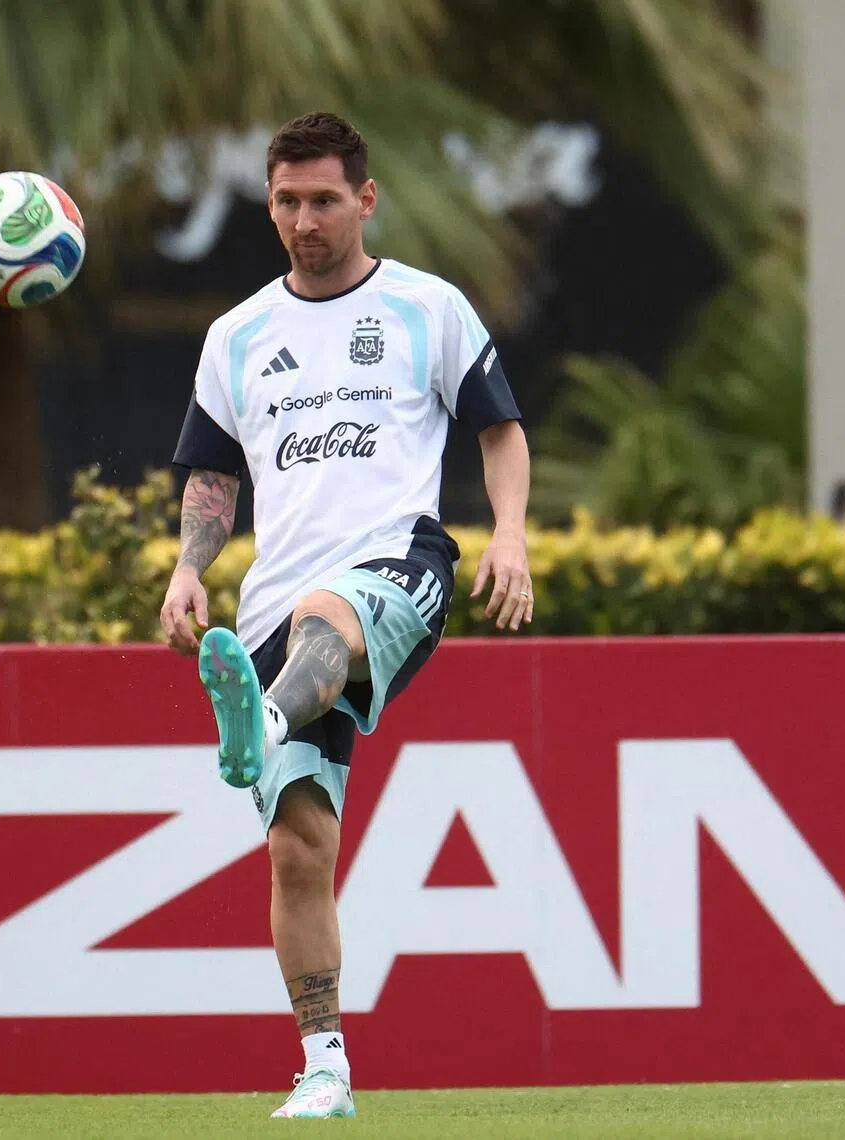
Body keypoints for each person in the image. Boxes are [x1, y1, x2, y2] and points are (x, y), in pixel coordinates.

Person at [161, 111, 532, 1119]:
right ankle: (324, 1065)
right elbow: (209, 476)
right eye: (286, 201)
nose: (304, 220)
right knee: (298, 845)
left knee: (337, 611)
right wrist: (190, 571)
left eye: (324, 199)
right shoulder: (234, 336)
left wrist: (508, 535)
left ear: (364, 200)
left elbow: (500, 428)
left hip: (397, 570)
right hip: (270, 608)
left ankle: (266, 719)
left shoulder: (428, 307)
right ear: (270, 204)